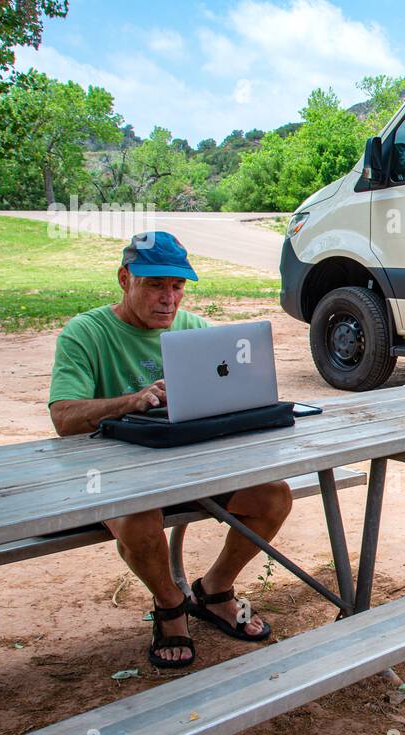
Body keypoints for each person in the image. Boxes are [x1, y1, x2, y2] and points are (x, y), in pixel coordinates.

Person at [48, 232, 292, 669]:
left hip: (187, 470)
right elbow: (64, 419)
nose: (169, 298)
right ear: (125, 279)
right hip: (110, 477)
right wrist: (130, 401)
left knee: (274, 496)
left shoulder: (196, 330)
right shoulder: (85, 333)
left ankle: (214, 590)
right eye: (155, 285)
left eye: (177, 286)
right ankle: (170, 605)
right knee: (140, 518)